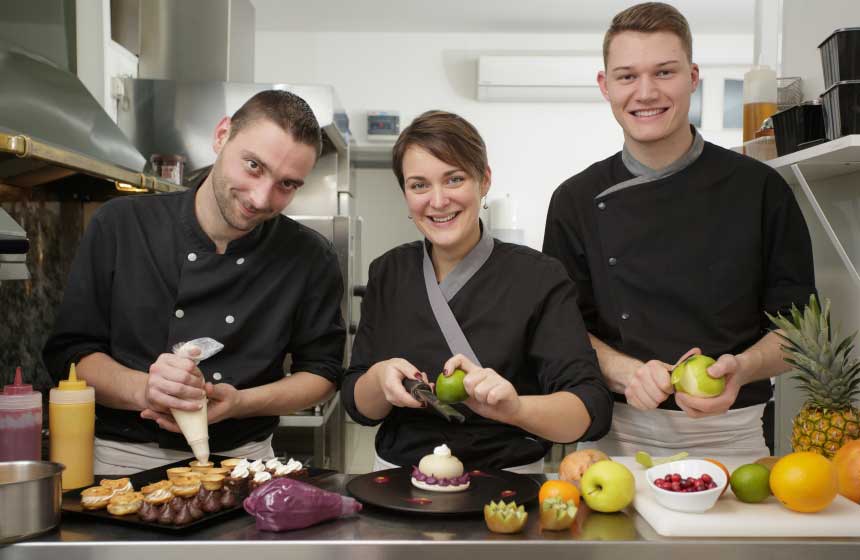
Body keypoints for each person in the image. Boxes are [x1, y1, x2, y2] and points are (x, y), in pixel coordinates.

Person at [543, 2, 816, 458]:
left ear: (693, 77)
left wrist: (743, 367)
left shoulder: (760, 188)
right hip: (614, 439)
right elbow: (560, 328)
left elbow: (800, 329)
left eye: (664, 72)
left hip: (734, 438)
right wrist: (629, 373)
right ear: (605, 85)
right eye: (627, 76)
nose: (645, 92)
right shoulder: (574, 200)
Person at [43, 90, 346, 474]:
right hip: (121, 464)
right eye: (253, 166)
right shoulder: (121, 224)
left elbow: (322, 373)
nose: (260, 197)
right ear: (222, 135)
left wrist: (242, 403)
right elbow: (72, 355)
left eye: (287, 184)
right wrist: (145, 390)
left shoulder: (309, 256)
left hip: (244, 464)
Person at [342, 110, 612, 473]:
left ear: (484, 181)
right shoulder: (388, 271)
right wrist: (378, 380)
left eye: (454, 179)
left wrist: (516, 408)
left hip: (505, 485)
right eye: (419, 185)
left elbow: (589, 407)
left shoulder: (539, 276)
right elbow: (358, 406)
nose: (437, 201)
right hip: (398, 482)